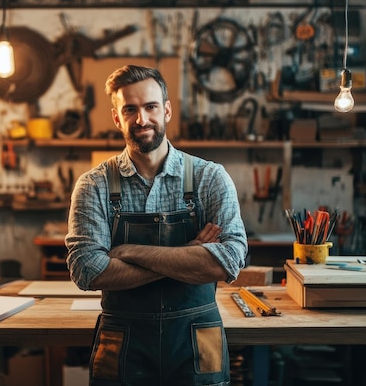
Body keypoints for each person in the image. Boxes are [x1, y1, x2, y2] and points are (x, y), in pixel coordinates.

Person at [65, 64, 247, 386]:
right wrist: (190, 255)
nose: (142, 119)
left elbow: (230, 260)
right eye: (130, 110)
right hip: (123, 343)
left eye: (150, 107)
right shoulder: (94, 185)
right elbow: (88, 271)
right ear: (116, 117)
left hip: (197, 342)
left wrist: (129, 251)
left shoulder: (209, 177)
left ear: (166, 111)